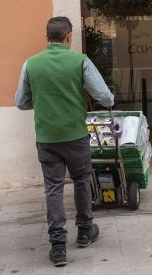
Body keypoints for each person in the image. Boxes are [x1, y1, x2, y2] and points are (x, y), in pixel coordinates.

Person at [15, 16, 114, 267]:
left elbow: (21, 102)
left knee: (53, 187)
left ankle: (58, 246)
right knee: (81, 180)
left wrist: (42, 101)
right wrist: (109, 101)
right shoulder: (80, 61)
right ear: (69, 36)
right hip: (75, 136)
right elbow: (103, 96)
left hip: (47, 137)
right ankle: (84, 231)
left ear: (47, 37)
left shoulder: (31, 64)